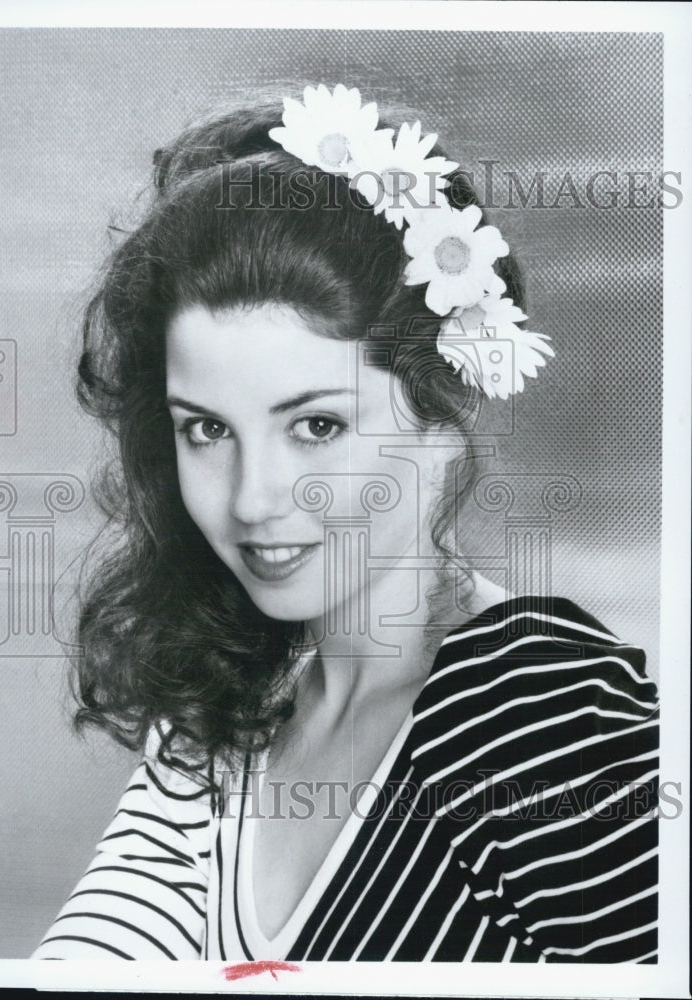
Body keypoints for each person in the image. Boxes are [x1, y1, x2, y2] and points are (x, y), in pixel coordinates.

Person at [32, 84, 659, 962]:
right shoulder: (222, 716)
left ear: (443, 412)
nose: (253, 499)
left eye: (316, 426)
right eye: (207, 430)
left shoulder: (540, 709)